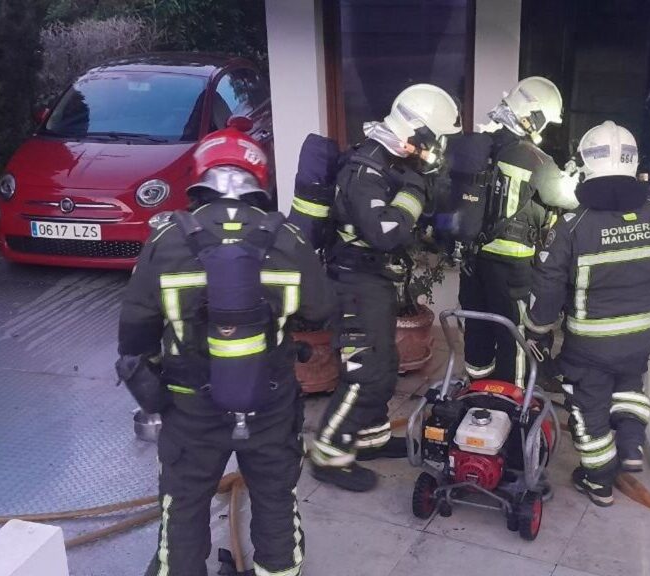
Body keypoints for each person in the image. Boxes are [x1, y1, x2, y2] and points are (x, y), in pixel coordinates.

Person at [118, 125, 334, 575]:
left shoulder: (165, 241)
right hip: (270, 402)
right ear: (258, 179)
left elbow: (135, 334)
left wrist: (158, 393)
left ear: (201, 178)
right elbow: (320, 310)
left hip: (190, 406)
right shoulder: (289, 240)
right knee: (275, 497)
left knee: (183, 507)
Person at [525, 121, 650, 506]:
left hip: (590, 343)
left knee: (588, 406)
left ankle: (599, 480)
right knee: (629, 385)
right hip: (643, 334)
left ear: (587, 164)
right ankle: (632, 446)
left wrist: (537, 329)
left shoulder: (574, 227)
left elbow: (549, 285)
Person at [308, 84, 462, 492]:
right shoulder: (367, 170)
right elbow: (386, 232)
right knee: (363, 371)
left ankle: (370, 439)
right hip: (355, 282)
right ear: (419, 133)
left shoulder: (391, 160)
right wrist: (415, 190)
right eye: (435, 141)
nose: (435, 151)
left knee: (385, 363)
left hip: (374, 280)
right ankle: (328, 454)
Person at [460, 76, 578, 388]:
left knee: (478, 328)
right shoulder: (532, 157)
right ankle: (509, 400)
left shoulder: (478, 144)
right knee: (514, 333)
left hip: (472, 259)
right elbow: (570, 198)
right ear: (533, 117)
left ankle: (476, 389)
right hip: (511, 268)